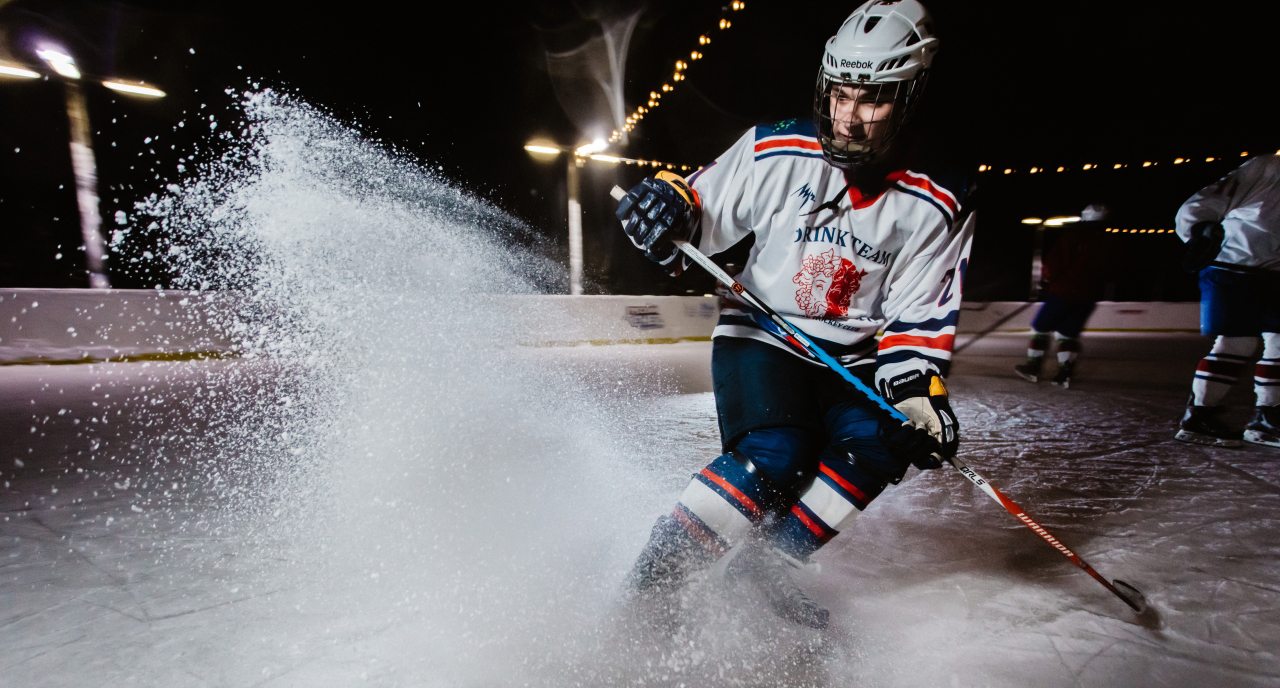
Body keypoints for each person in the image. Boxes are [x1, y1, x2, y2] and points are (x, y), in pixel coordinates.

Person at [614, 0, 973, 629]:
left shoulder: (940, 200)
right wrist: (669, 206)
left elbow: (917, 315)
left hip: (853, 359)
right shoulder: (777, 148)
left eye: (872, 100)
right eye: (840, 93)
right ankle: (652, 584)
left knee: (881, 443)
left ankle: (765, 572)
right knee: (778, 454)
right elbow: (698, 209)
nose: (847, 117)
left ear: (910, 98)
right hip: (764, 334)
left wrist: (918, 397)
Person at [1174, 154, 1280, 448]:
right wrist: (1199, 232)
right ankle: (1198, 417)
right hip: (1234, 266)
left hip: (1274, 273)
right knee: (1237, 342)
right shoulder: (1268, 166)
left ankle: (1267, 418)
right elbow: (1204, 201)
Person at [1014, 204, 1121, 388]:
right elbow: (1113, 272)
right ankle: (1065, 373)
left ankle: (1033, 368)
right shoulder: (1110, 242)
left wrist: (1045, 281)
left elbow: (1055, 263)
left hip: (1062, 293)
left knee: (1041, 328)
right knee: (1067, 334)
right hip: (1088, 297)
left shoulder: (1073, 237)